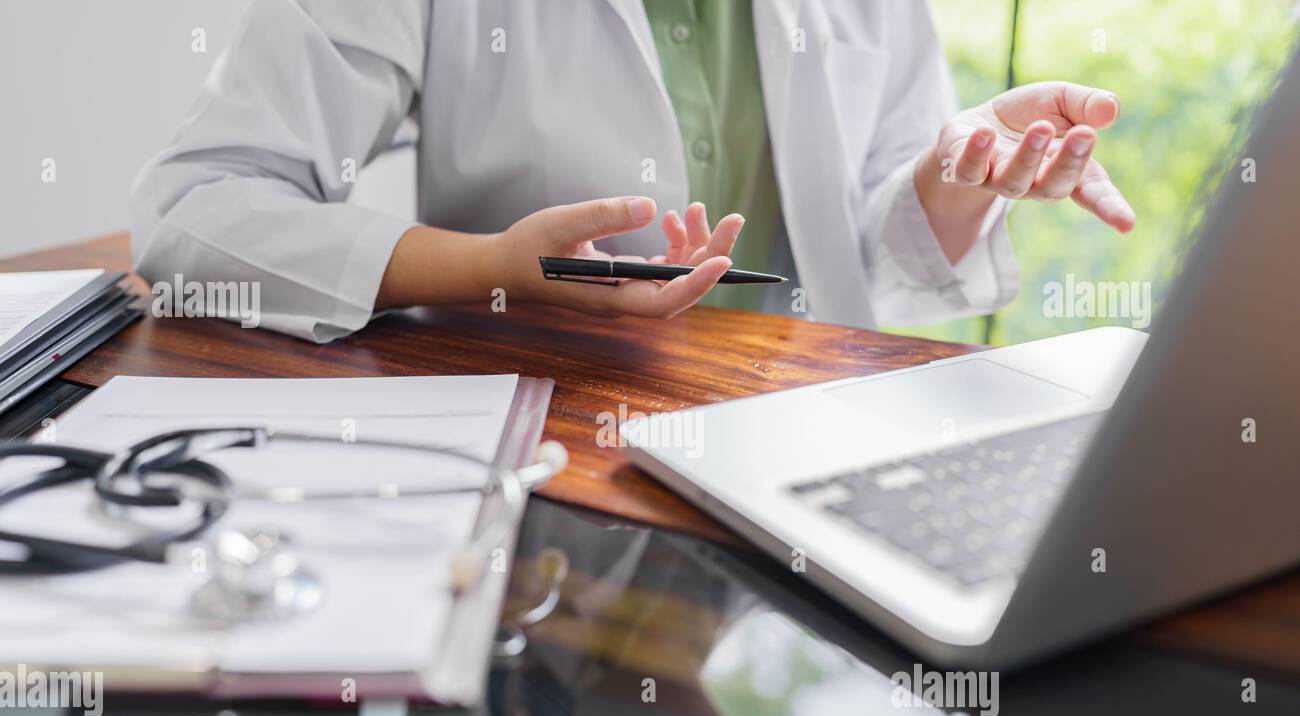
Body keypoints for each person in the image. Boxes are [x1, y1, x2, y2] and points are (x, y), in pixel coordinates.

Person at [130, 0, 1135, 343]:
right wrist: (487, 265)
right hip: (553, 451)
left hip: (798, 423)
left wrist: (958, 177)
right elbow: (194, 210)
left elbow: (871, 247)